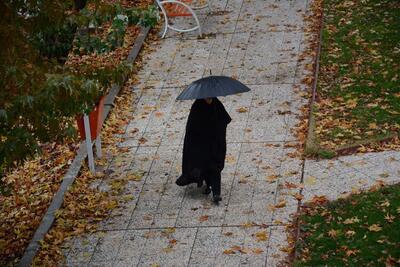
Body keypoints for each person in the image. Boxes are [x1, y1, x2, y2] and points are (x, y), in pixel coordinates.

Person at [175, 97, 231, 204]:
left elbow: (225, 120)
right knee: (205, 166)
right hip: (200, 145)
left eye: (210, 97)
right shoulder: (197, 107)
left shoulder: (217, 104)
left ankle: (216, 193)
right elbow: (192, 128)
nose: (209, 99)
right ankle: (209, 186)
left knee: (214, 167)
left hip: (214, 143)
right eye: (207, 97)